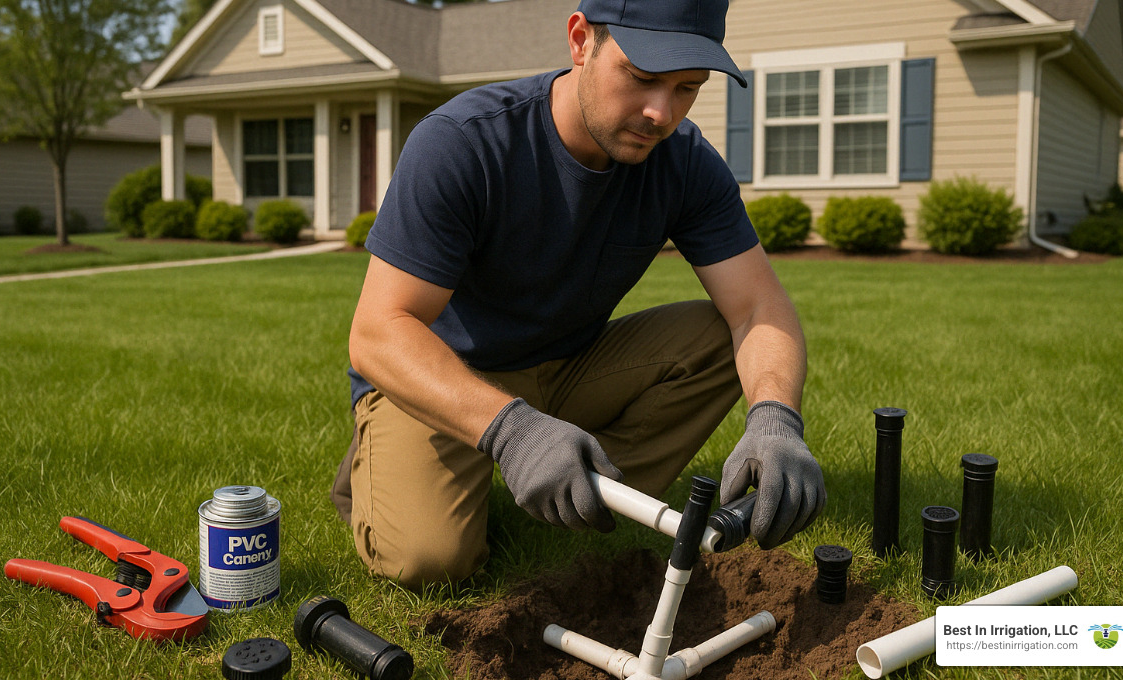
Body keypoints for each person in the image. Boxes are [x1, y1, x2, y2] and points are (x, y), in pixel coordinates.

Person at [331, 0, 825, 590]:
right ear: (580, 39)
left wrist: (776, 420)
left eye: (687, 88)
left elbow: (758, 307)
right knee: (431, 563)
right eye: (641, 78)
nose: (660, 113)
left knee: (724, 337)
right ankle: (384, 464)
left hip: (568, 370)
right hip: (448, 376)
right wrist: (515, 432)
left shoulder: (684, 160)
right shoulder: (464, 143)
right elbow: (378, 331)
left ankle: (575, 493)